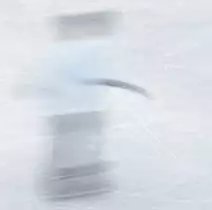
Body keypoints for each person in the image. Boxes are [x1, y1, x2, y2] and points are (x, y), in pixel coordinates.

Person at [38, 11, 148, 200]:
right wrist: (131, 87)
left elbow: (46, 78)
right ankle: (78, 179)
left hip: (63, 109)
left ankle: (62, 180)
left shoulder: (57, 51)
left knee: (66, 142)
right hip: (85, 107)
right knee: (88, 141)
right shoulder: (90, 49)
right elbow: (103, 76)